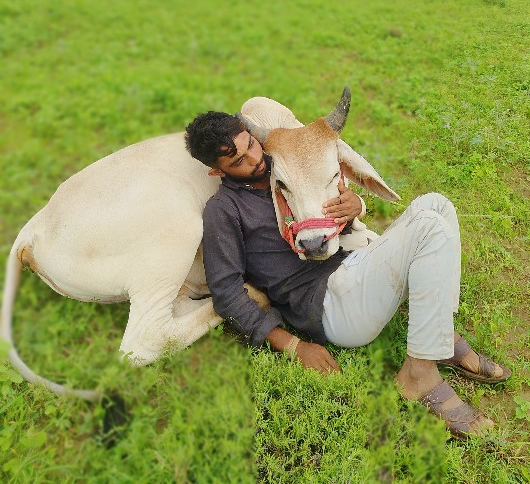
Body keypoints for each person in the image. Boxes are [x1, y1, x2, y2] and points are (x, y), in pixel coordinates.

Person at [185, 111, 511, 439]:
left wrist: (354, 206)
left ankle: (443, 337)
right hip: (328, 306)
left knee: (437, 204)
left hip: (353, 265)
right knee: (428, 227)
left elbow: (334, 203)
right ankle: (419, 375)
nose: (255, 160)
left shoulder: (285, 165)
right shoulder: (224, 210)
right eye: (237, 161)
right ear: (217, 171)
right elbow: (225, 291)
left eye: (251, 145)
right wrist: (294, 346)